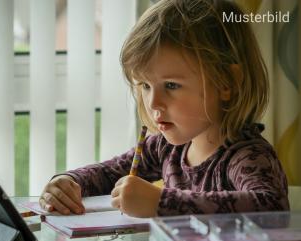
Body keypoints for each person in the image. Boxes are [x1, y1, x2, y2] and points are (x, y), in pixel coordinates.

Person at [39, 0, 289, 218]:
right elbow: (107, 173)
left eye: (171, 85)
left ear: (227, 83)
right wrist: (68, 183)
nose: (153, 102)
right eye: (145, 85)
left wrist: (162, 203)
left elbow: (272, 207)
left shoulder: (247, 156)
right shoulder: (165, 147)